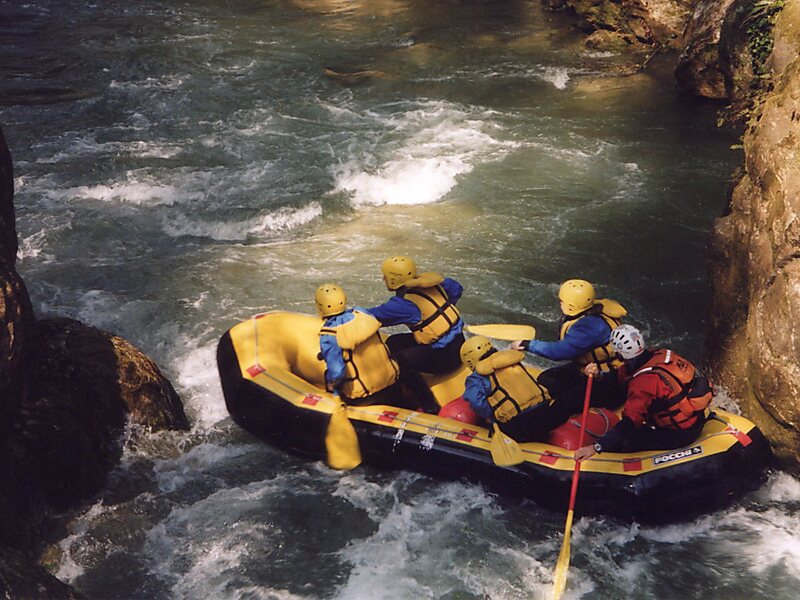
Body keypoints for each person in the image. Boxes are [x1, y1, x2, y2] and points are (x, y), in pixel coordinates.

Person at [574, 325, 713, 460]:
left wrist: (597, 447)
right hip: (696, 419)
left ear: (620, 355)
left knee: (626, 442)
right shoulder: (661, 354)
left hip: (681, 434)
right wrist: (600, 375)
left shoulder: (643, 383)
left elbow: (630, 422)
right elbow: (622, 374)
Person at [365, 256, 465, 408]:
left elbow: (373, 316)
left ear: (393, 279)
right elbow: (456, 289)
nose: (382, 279)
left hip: (446, 358)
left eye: (385, 276)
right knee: (393, 342)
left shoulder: (403, 304)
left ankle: (427, 404)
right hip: (460, 343)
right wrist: (443, 281)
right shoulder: (435, 286)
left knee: (400, 359)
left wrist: (345, 315)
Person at [510, 278, 627, 408]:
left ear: (572, 306)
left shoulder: (589, 326)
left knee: (564, 404)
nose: (560, 303)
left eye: (562, 301)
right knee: (546, 378)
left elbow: (559, 352)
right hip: (591, 368)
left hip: (606, 379)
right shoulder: (592, 312)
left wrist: (527, 344)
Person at [460, 335, 574, 443]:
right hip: (545, 415)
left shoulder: (477, 377)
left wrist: (490, 417)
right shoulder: (511, 360)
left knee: (481, 421)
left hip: (519, 426)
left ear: (470, 361)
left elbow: (475, 400)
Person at [315, 282, 410, 408]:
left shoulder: (329, 334)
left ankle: (337, 406)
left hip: (364, 398)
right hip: (392, 386)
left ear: (320, 307)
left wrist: (333, 386)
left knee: (329, 374)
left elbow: (337, 373)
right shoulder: (362, 313)